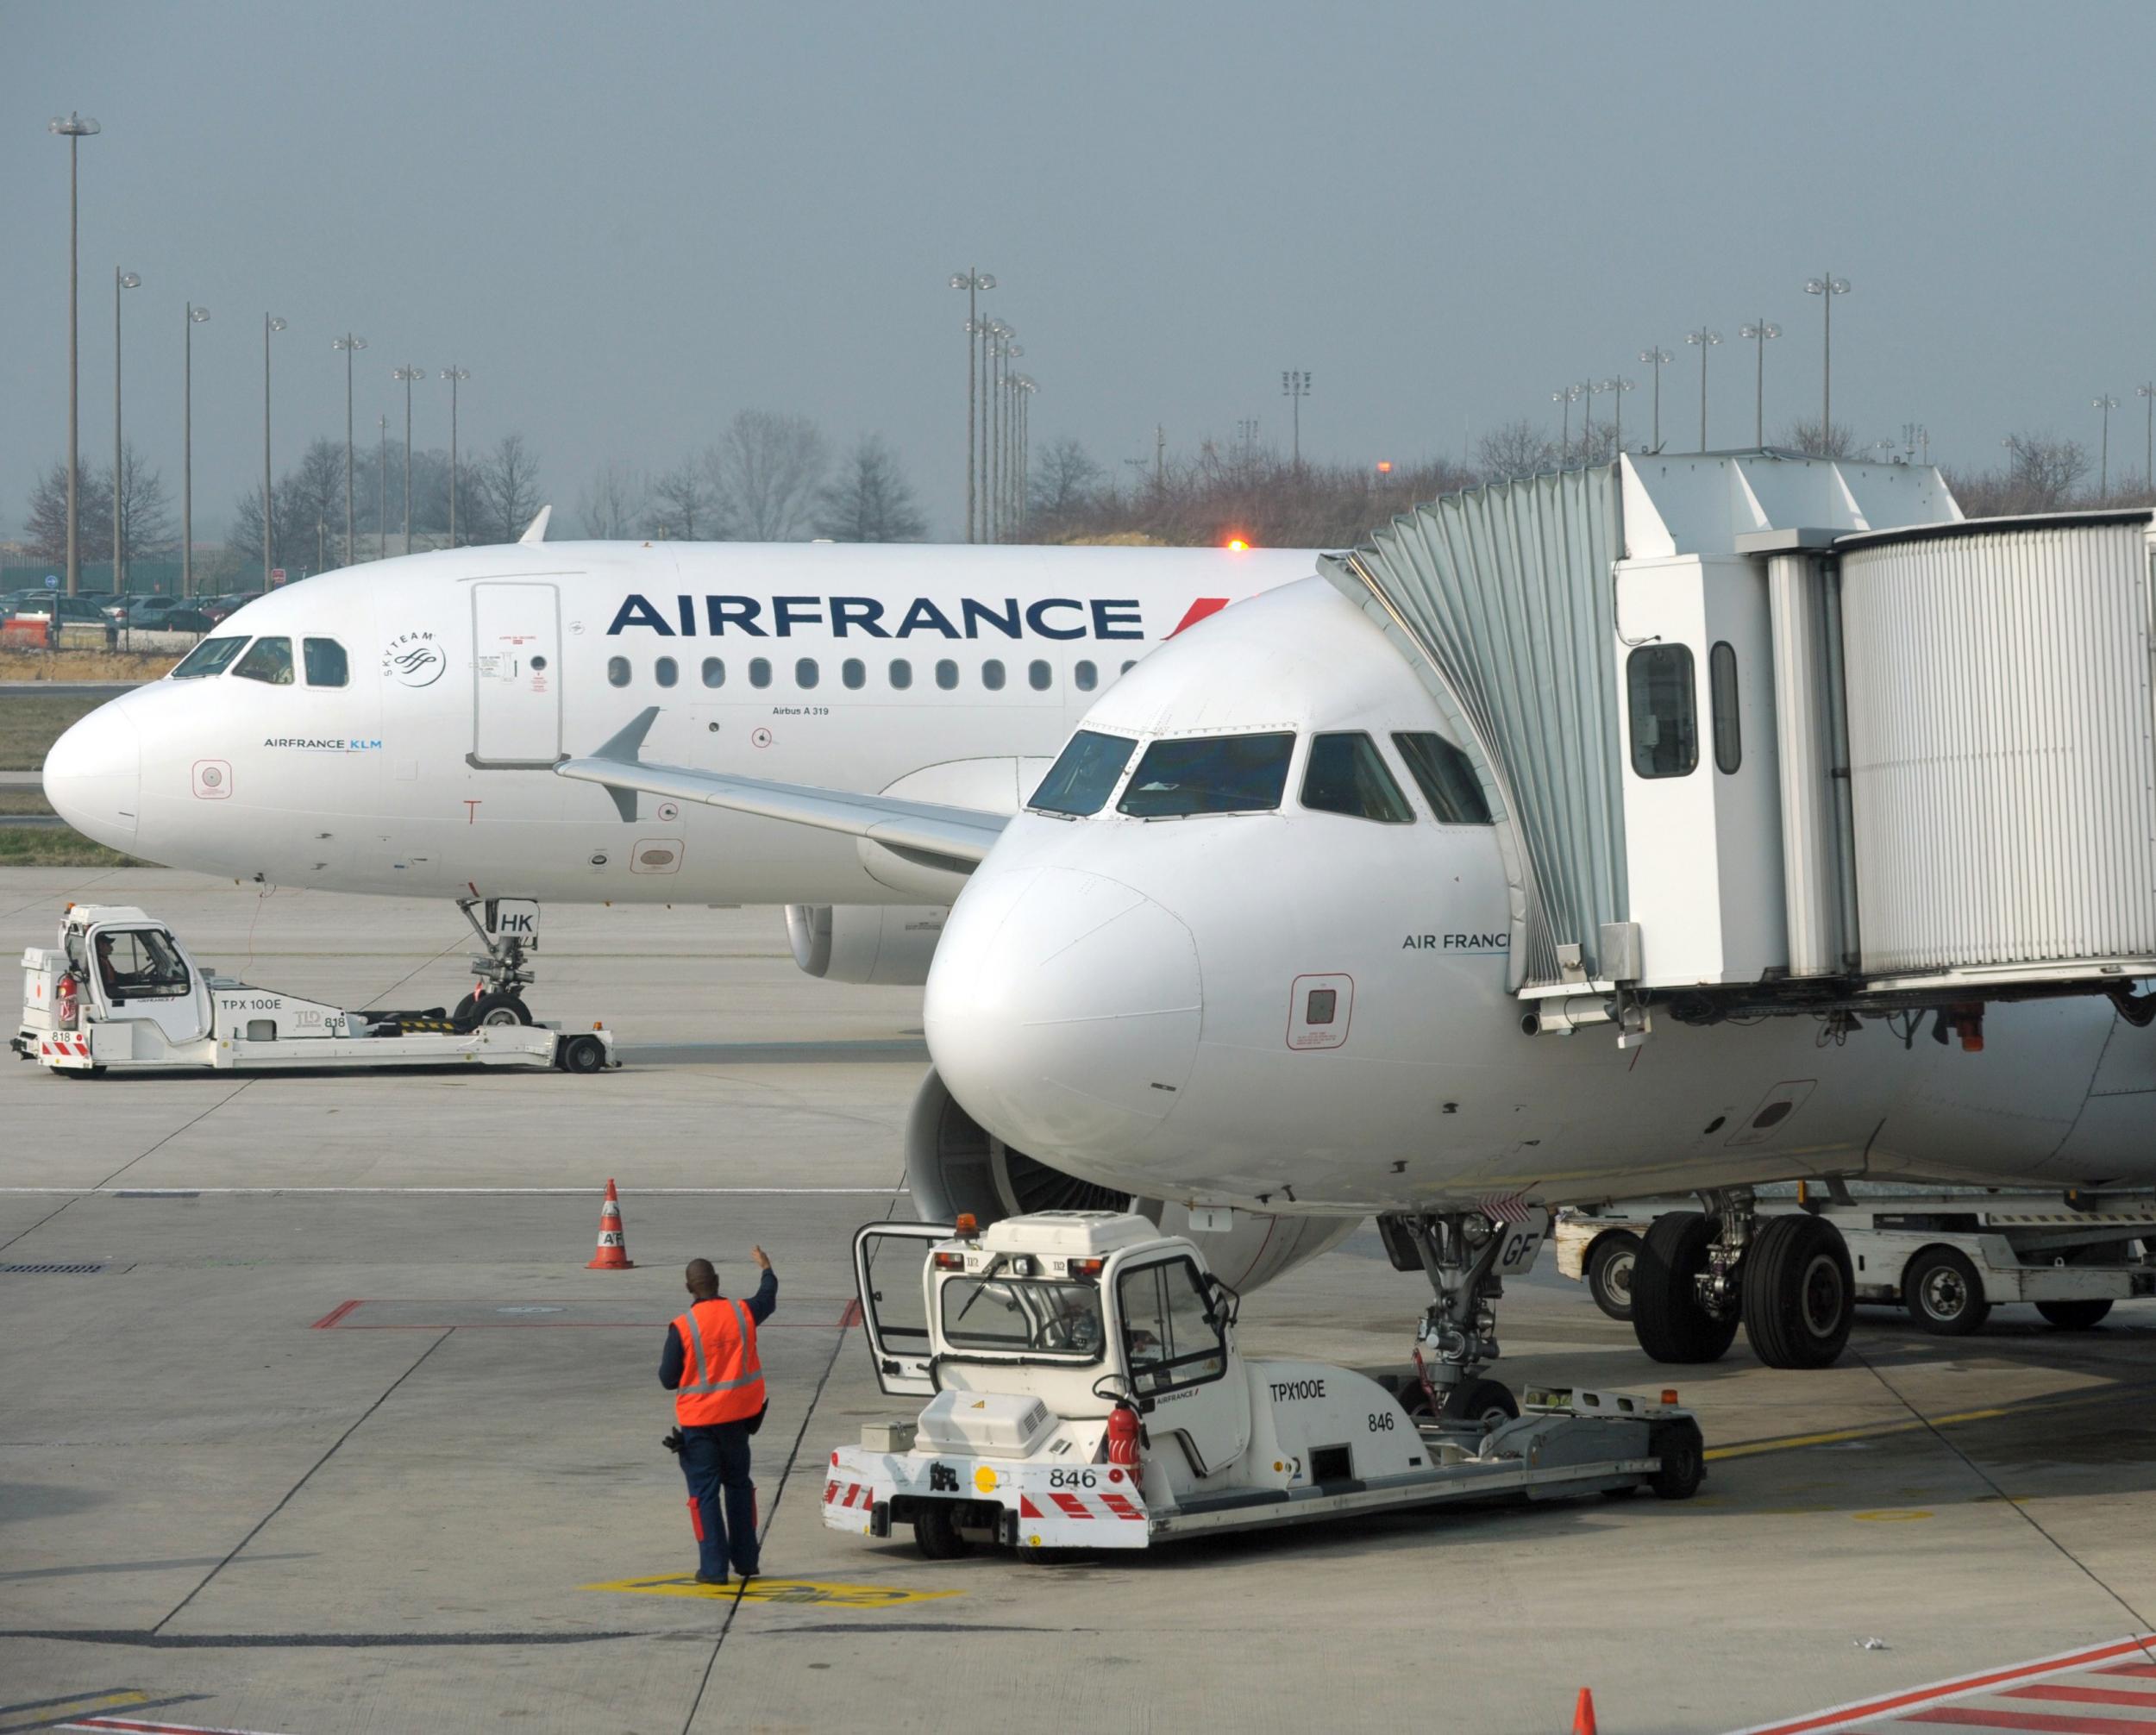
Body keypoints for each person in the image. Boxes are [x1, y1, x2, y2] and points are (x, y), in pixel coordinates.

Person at [661, 1248, 776, 1586]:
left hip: (699, 1428)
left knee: (705, 1494)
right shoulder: (742, 1312)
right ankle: (746, 1561)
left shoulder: (682, 1327)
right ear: (718, 1282)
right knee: (739, 1487)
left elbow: (668, 1379)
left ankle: (713, 1569)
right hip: (738, 1424)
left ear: (689, 1288)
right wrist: (767, 1269)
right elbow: (767, 1298)